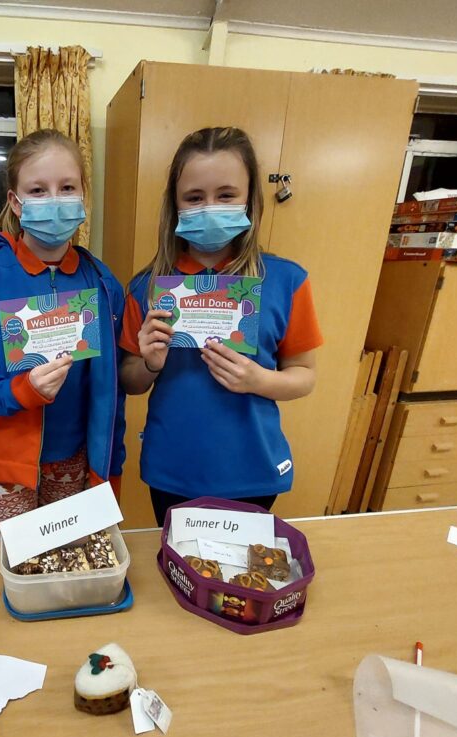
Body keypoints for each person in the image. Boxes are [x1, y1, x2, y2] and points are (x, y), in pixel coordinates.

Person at [119, 127, 323, 527]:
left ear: (250, 199)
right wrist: (150, 364)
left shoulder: (286, 281)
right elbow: (130, 380)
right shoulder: (147, 287)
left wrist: (259, 380)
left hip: (251, 469)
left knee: (239, 563)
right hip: (173, 469)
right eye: (194, 198)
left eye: (226, 195)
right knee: (178, 560)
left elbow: (304, 375)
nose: (210, 208)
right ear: (175, 204)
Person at [0, 130, 125, 537]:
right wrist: (18, 392)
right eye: (38, 190)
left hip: (74, 461)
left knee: (67, 561)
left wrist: (111, 461)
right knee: (16, 562)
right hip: (3, 464)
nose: (55, 200)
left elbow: (112, 386)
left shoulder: (102, 282)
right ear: (16, 202)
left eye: (67, 188)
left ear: (83, 194)